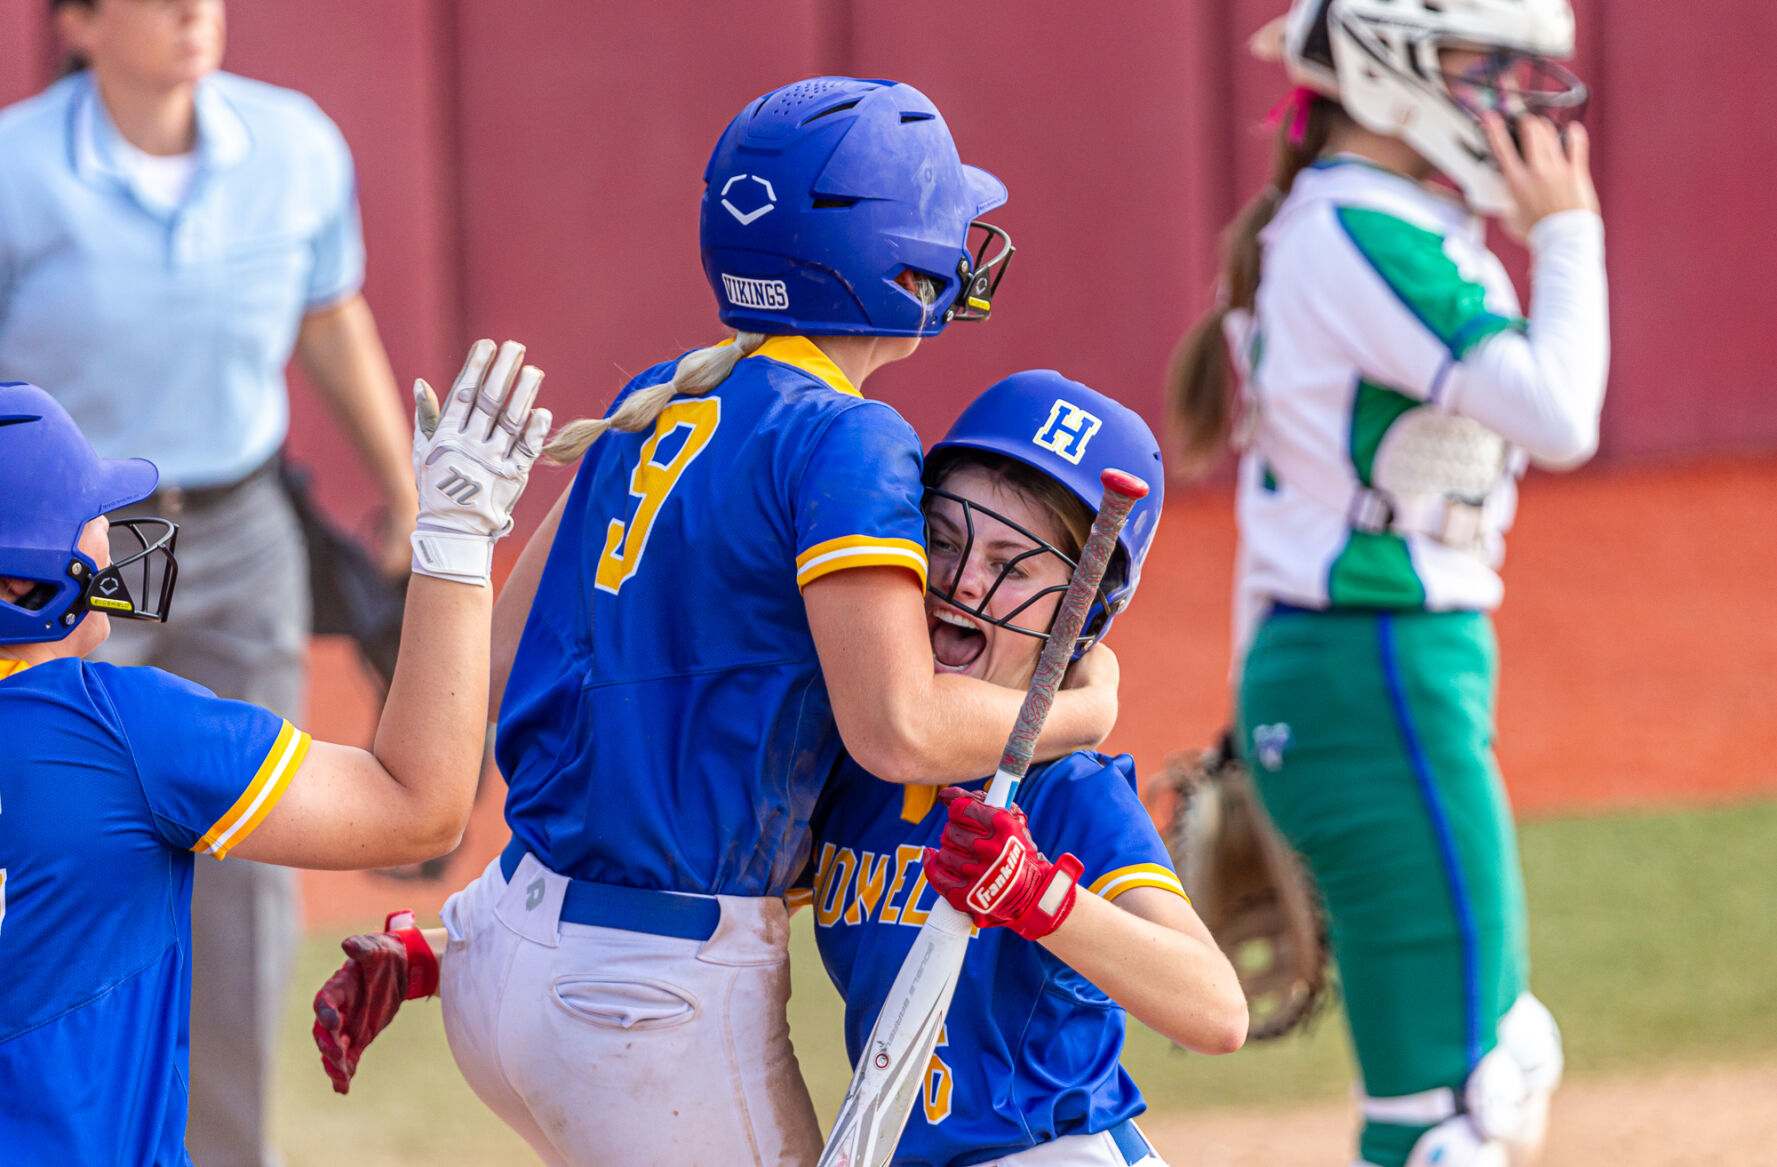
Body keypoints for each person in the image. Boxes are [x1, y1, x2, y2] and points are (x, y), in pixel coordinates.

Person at [309, 76, 1121, 1166]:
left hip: (504, 940)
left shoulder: (663, 395)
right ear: (895, 260)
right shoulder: (848, 435)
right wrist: (1077, 708)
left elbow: (496, 655)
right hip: (648, 996)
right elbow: (899, 731)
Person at [1168, 2, 1606, 1165]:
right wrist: (1568, 236)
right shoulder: (1359, 226)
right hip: (1370, 664)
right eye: (1481, 60)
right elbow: (1559, 415)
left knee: (1498, 1062)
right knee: (1451, 1114)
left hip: (1367, 666)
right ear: (1388, 61)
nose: (1512, 92)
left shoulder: (1360, 220)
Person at [0, 3, 420, 1160]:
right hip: (74, 546)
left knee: (245, 841)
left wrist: (403, 486)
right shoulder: (16, 168)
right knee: (58, 812)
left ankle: (229, 1150)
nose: (193, 12)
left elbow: (332, 321)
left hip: (234, 525)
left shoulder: (295, 144)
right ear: (79, 24)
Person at [0, 344, 548, 1165]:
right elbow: (418, 806)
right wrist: (456, 535)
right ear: (21, 587)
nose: (109, 531)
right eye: (87, 510)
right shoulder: (129, 735)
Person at [801, 370, 1248, 1167]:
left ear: (1081, 616)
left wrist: (1036, 894)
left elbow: (1214, 1009)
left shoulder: (1066, 792)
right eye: (942, 538)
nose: (965, 580)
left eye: (1014, 564)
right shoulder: (863, 749)